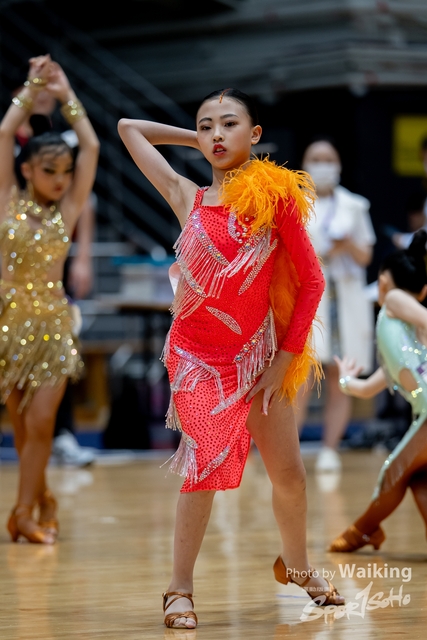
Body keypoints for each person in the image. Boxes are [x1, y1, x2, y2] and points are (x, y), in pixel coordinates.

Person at [118, 87, 345, 629]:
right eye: (207, 125)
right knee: (206, 463)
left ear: (256, 134)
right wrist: (195, 140)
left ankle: (298, 566)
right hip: (196, 357)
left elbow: (313, 281)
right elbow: (129, 128)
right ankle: (179, 588)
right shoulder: (186, 195)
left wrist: (284, 359)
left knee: (290, 476)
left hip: (259, 357)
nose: (216, 134)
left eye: (229, 124)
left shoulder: (273, 201)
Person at [0, 54, 100, 543]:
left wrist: (66, 95)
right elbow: (4, 131)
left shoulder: (68, 209)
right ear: (26, 170)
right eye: (49, 170)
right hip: (9, 325)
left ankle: (22, 512)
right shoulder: (6, 201)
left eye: (65, 170)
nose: (61, 179)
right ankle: (40, 500)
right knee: (22, 429)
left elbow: (92, 144)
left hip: (53, 326)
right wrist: (32, 85)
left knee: (42, 423)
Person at [12, 80, 97, 467]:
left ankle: (62, 437)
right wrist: (32, 88)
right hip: (9, 287)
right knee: (15, 389)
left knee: (56, 363)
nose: (59, 176)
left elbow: (85, 190)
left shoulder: (63, 142)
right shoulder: (8, 152)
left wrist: (82, 257)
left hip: (49, 284)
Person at [328, 228, 427, 552]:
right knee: (416, 476)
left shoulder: (396, 299)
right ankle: (364, 531)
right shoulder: (401, 348)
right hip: (423, 417)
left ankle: (362, 530)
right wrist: (345, 380)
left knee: (392, 472)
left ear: (384, 280)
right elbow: (367, 389)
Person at [295, 136, 377, 472]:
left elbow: (366, 255)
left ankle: (330, 449)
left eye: (329, 160)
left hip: (344, 299)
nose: (323, 166)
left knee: (339, 376)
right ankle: (288, 451)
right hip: (307, 297)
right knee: (299, 378)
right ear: (304, 165)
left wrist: (345, 245)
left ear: (339, 166)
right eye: (316, 159)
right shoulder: (293, 203)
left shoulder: (355, 206)